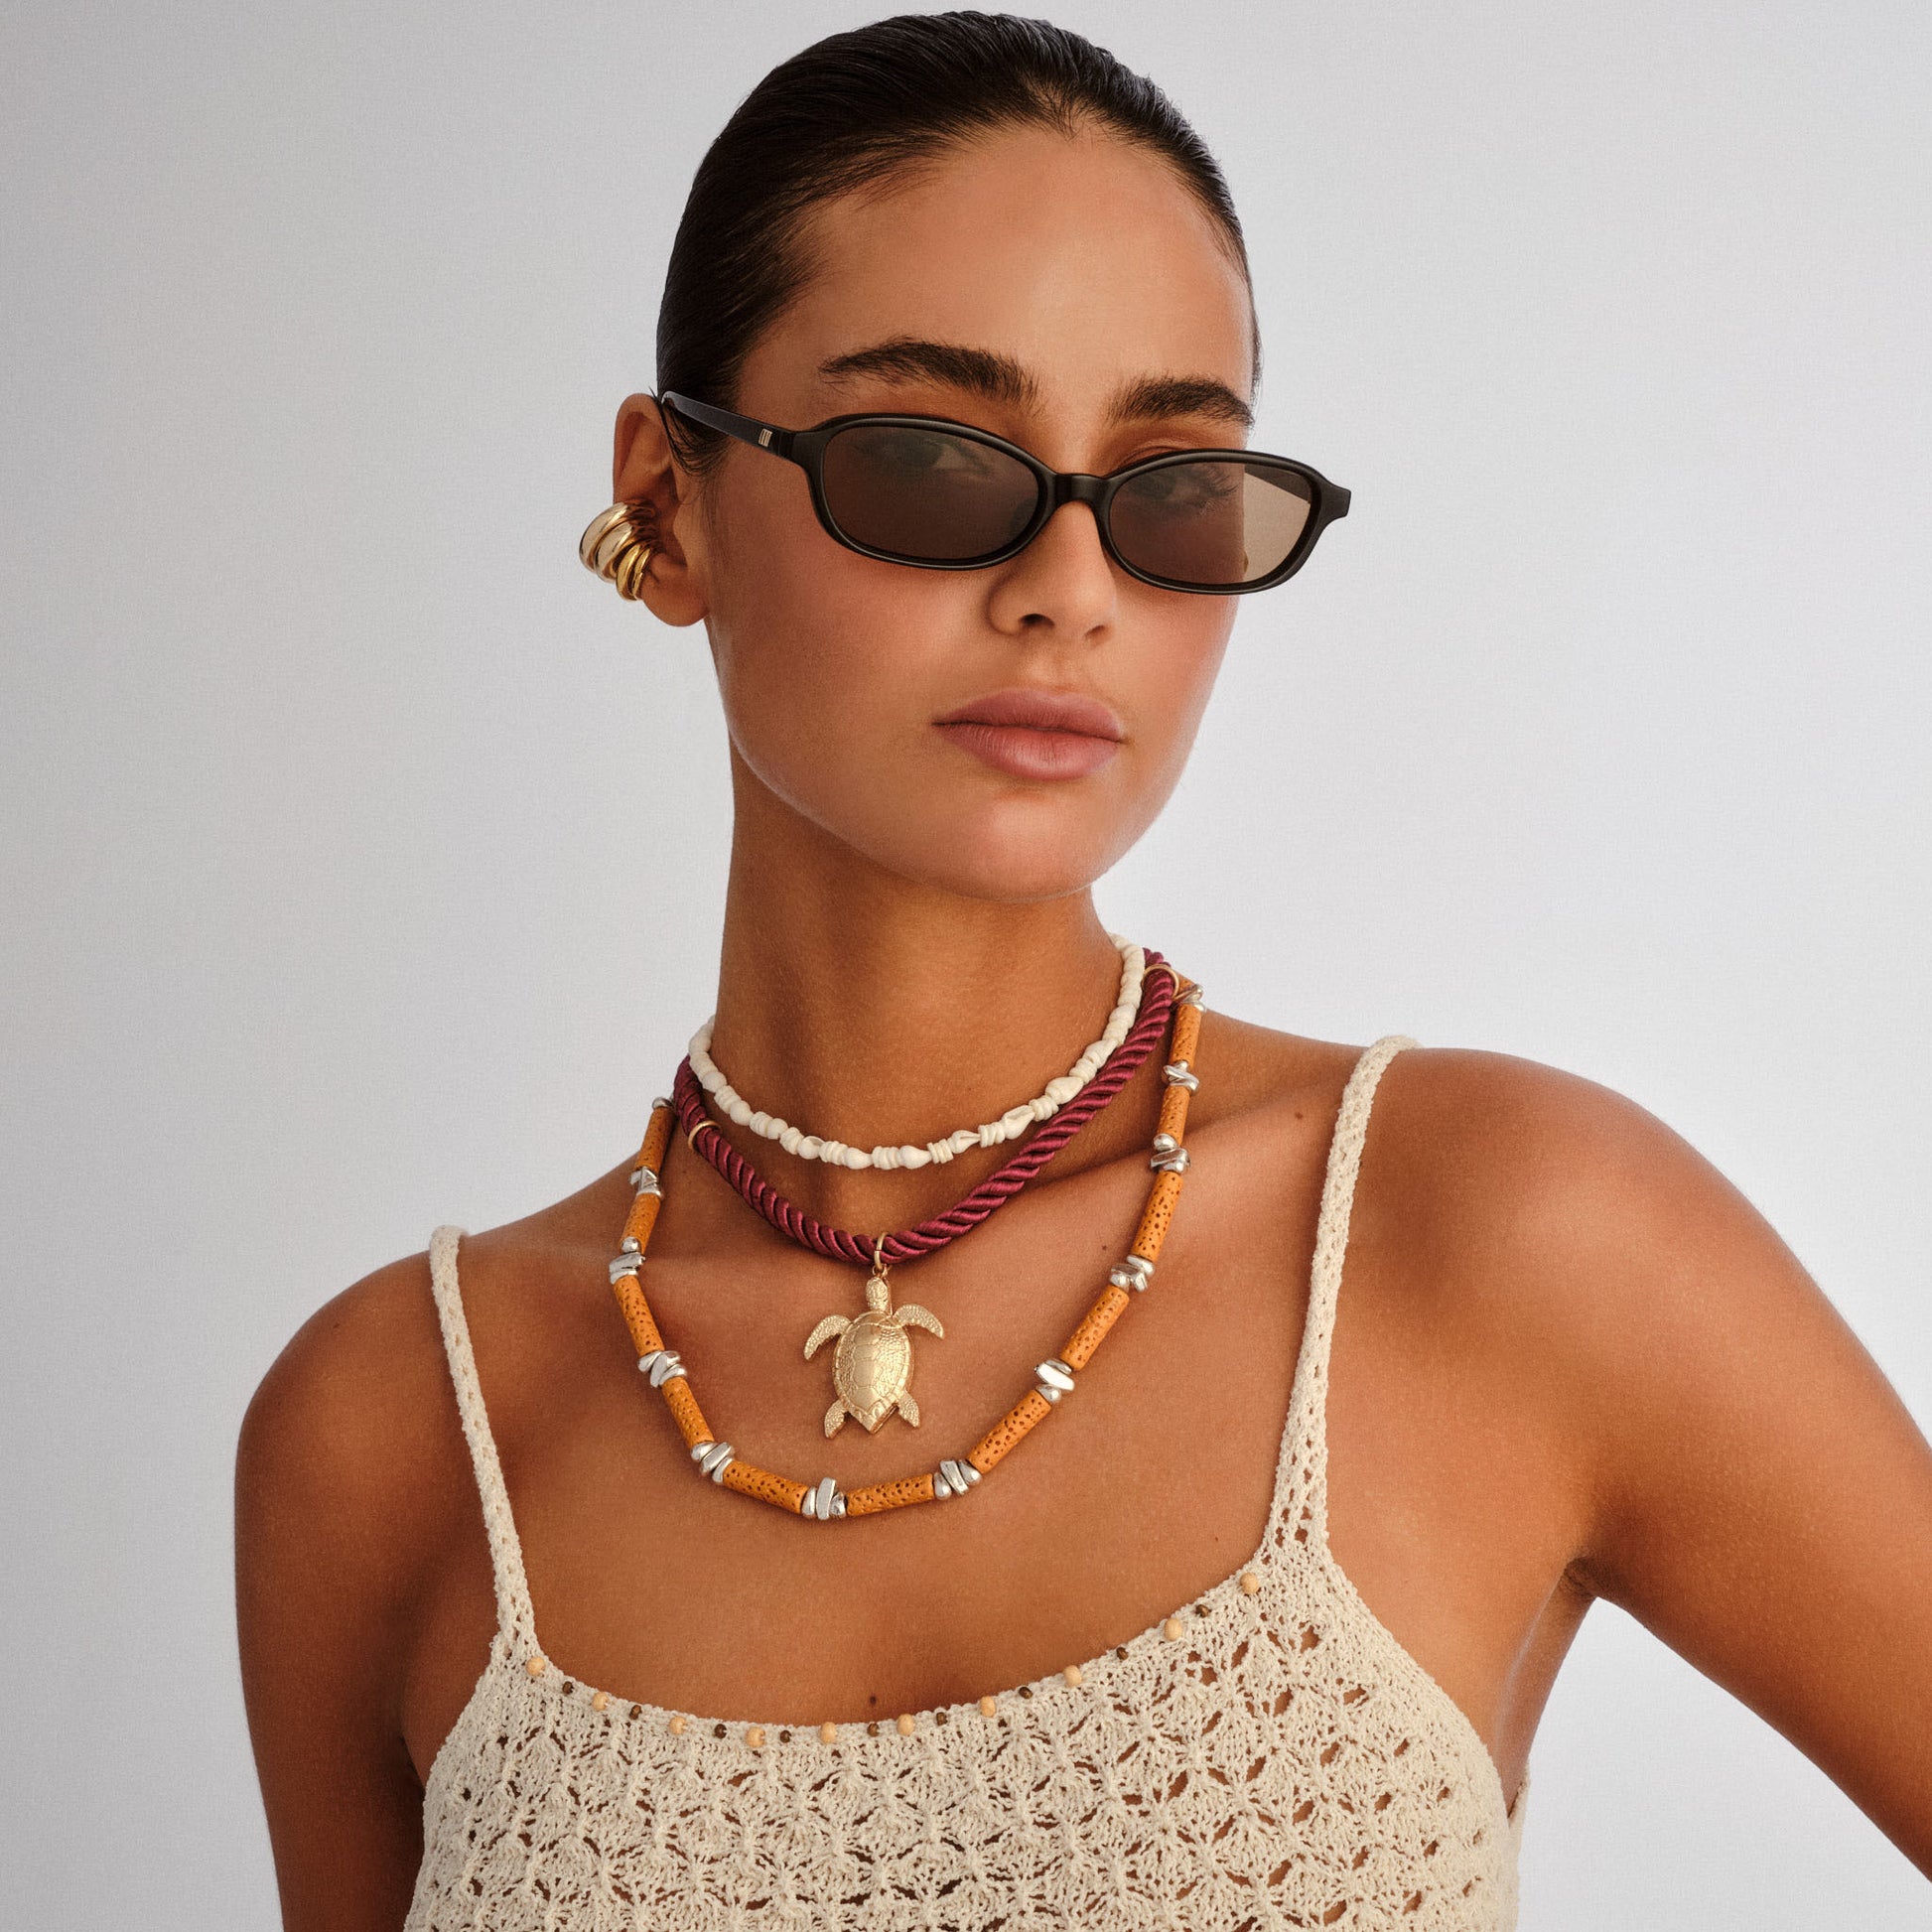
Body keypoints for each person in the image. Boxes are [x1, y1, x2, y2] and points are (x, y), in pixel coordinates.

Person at [233, 12, 1932, 1927]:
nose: (1069, 586)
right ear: (668, 499)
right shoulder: (398, 1426)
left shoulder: (1503, 1233)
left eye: (1172, 488)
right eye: (927, 463)